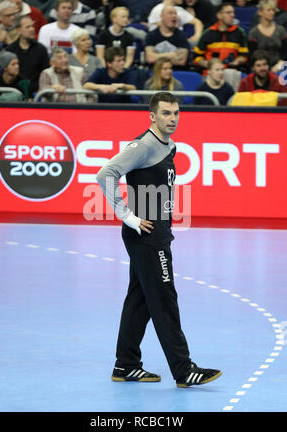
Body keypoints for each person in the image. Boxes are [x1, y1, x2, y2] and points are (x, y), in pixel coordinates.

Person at [96, 91, 222, 387]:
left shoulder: (170, 146)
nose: (173, 119)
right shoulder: (143, 145)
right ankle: (184, 369)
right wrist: (128, 216)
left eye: (176, 113)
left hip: (158, 233)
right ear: (152, 116)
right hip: (147, 236)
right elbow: (106, 174)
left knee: (139, 300)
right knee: (165, 300)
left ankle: (126, 365)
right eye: (166, 113)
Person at [193, 2, 249, 75]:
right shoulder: (208, 33)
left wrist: (237, 61)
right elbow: (196, 57)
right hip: (210, 73)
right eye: (228, 13)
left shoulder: (240, 33)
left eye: (233, 12)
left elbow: (244, 56)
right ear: (219, 15)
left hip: (231, 72)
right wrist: (207, 64)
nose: (233, 15)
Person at [6, 15, 49, 96]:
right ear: (18, 30)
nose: (32, 29)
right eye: (28, 27)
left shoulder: (41, 49)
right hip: (14, 93)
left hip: (37, 94)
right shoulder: (10, 50)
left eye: (32, 26)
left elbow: (46, 74)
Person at [248, 0, 287, 72]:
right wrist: (263, 66)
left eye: (273, 10)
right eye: (268, 10)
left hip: (279, 64)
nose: (272, 13)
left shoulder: (280, 30)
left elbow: (285, 52)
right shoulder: (254, 32)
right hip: (260, 65)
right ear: (260, 12)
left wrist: (280, 64)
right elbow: (252, 55)